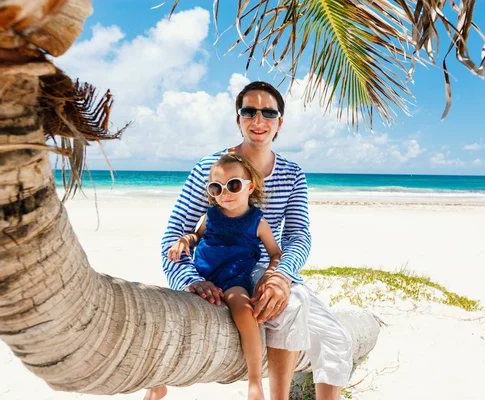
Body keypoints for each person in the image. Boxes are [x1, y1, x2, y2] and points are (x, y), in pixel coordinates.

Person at [155, 81, 353, 400]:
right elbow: (175, 235)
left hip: (269, 267)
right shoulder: (210, 168)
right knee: (293, 306)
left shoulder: (292, 173)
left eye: (268, 112)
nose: (258, 120)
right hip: (223, 271)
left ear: (279, 122)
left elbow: (298, 235)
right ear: (238, 119)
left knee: (337, 340)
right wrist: (190, 280)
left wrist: (281, 275)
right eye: (249, 111)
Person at [146, 154, 281, 400]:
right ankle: (158, 382)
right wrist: (183, 241)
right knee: (173, 317)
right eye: (216, 188)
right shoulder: (211, 215)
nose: (225, 193)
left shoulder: (257, 222)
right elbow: (196, 236)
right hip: (201, 275)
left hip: (234, 280)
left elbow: (275, 253)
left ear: (250, 186)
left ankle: (254, 381)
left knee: (243, 311)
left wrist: (270, 274)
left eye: (233, 185)